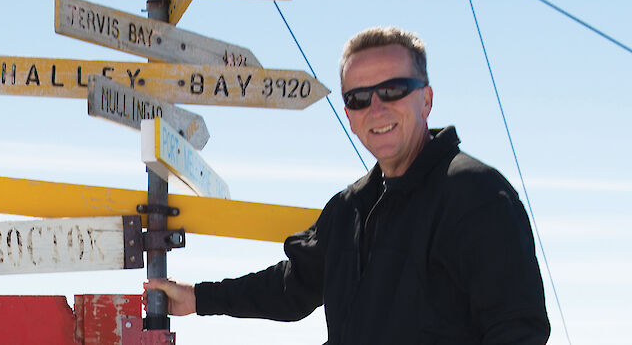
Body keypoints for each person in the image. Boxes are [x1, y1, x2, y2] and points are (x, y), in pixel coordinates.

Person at [144, 26, 550, 344]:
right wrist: (200, 299)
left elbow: (518, 331)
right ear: (349, 115)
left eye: (392, 90)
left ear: (425, 99)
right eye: (359, 98)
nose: (376, 108)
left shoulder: (476, 196)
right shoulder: (350, 208)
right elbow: (293, 288)